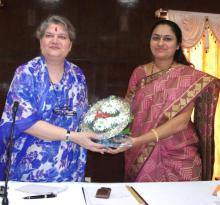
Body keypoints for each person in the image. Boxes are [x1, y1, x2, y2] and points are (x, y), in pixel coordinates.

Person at [108, 19, 220, 182]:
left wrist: (138, 140)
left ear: (177, 45)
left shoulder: (187, 77)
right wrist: (104, 126)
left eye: (167, 39)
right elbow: (127, 111)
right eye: (156, 38)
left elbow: (181, 122)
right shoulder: (139, 73)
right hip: (142, 154)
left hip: (179, 154)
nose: (160, 43)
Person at [0, 15, 105, 182]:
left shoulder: (77, 75)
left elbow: (83, 118)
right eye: (49, 35)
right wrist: (72, 136)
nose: (55, 40)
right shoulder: (27, 73)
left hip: (69, 167)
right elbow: (26, 122)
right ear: (41, 42)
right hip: (29, 170)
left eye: (62, 36)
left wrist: (106, 134)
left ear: (69, 45)